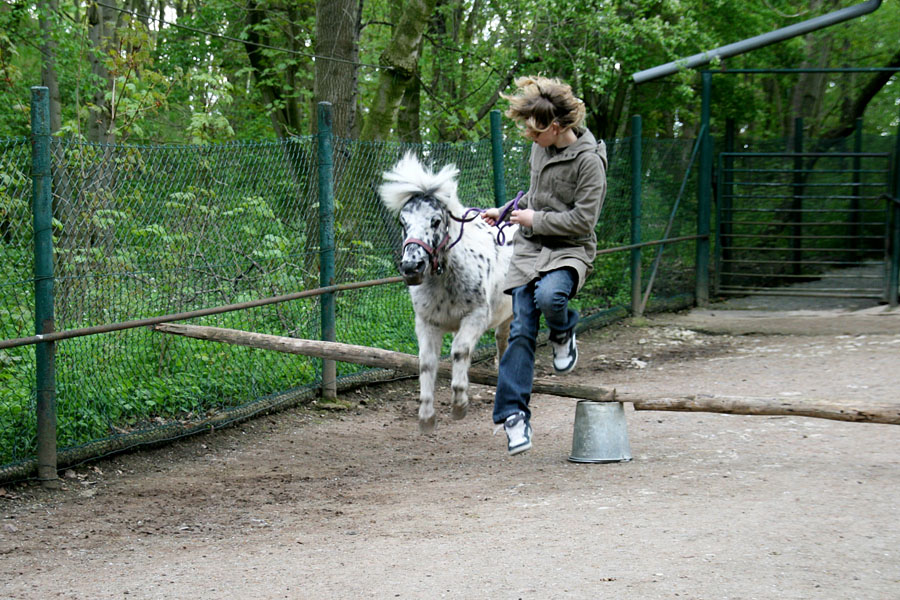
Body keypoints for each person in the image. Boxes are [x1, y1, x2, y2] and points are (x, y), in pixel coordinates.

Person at [481, 76, 607, 455]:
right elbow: (535, 197)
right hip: (530, 251)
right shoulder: (541, 149)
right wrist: (506, 211)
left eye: (535, 133)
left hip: (570, 249)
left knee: (551, 296)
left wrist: (534, 219)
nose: (530, 139)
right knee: (519, 328)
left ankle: (563, 331)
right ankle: (514, 416)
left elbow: (583, 222)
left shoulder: (589, 163)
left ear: (556, 128)